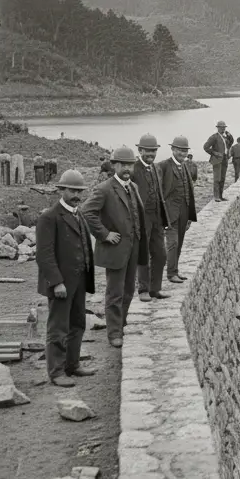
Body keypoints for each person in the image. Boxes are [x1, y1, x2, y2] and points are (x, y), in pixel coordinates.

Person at [80, 145, 148, 349]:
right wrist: (104, 234)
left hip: (133, 248)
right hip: (116, 249)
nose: (127, 168)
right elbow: (87, 212)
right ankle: (114, 333)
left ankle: (122, 324)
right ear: (114, 165)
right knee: (114, 293)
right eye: (123, 164)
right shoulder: (104, 189)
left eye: (130, 165)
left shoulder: (132, 187)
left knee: (128, 290)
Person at [35, 170, 96, 387]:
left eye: (79, 191)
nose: (76, 194)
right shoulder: (49, 217)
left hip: (79, 280)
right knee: (58, 327)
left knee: (78, 323)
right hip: (61, 283)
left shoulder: (79, 215)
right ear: (61, 190)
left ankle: (73, 364)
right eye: (72, 190)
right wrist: (56, 281)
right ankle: (56, 371)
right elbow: (44, 254)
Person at [130, 135, 169, 306]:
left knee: (160, 254)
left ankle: (155, 288)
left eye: (154, 151)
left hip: (157, 218)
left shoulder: (156, 169)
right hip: (142, 218)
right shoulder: (133, 170)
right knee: (143, 254)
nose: (151, 154)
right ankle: (143, 289)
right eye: (148, 151)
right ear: (140, 151)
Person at [158, 135, 197, 286]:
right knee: (172, 243)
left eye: (185, 151)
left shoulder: (185, 166)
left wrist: (189, 215)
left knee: (179, 242)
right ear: (173, 149)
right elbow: (158, 191)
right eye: (180, 150)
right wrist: (162, 214)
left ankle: (174, 270)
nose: (182, 153)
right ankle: (170, 273)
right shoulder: (163, 166)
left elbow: (189, 190)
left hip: (184, 212)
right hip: (170, 213)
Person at [202, 120, 231, 202]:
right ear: (218, 128)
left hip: (224, 159)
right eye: (221, 127)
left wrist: (229, 135)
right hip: (217, 160)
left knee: (222, 178)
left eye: (224, 127)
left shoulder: (225, 138)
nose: (223, 129)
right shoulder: (214, 137)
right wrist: (215, 153)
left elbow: (230, 143)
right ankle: (216, 197)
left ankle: (221, 196)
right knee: (217, 178)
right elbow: (206, 147)